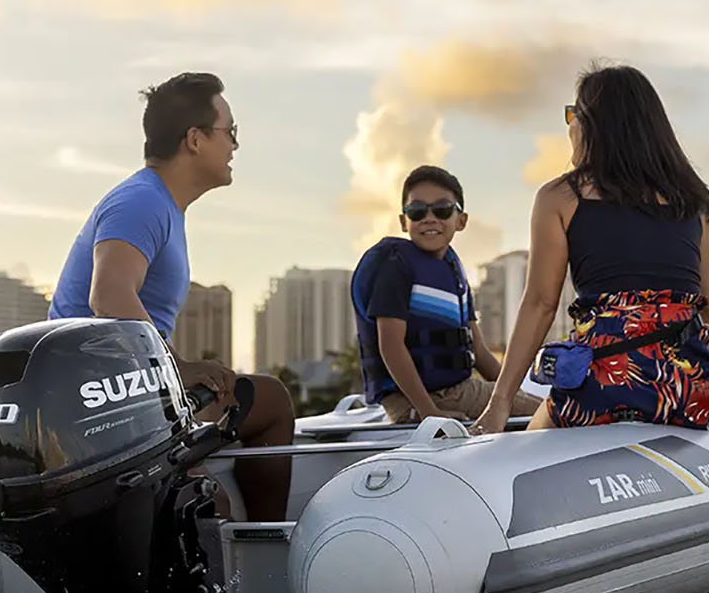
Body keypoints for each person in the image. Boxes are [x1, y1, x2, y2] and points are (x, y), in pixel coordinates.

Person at [49, 72, 295, 519]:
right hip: (99, 399)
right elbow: (107, 296)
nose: (235, 146)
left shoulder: (159, 204)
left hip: (131, 388)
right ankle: (266, 556)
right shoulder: (141, 202)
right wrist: (178, 369)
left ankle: (264, 540)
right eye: (230, 132)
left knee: (269, 400)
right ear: (196, 139)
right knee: (212, 497)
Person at [474, 64, 709, 435]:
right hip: (682, 393)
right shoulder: (694, 202)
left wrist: (499, 404)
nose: (570, 127)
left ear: (592, 125)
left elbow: (540, 304)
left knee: (532, 436)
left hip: (603, 385)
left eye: (573, 115)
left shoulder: (560, 197)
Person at [351, 165, 538, 424]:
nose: (429, 218)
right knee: (552, 411)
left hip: (452, 392)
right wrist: (430, 414)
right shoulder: (395, 266)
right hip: (427, 398)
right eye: (417, 211)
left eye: (441, 210)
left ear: (461, 220)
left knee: (537, 399)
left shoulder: (452, 270)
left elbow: (479, 352)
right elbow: (391, 345)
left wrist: (508, 391)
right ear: (404, 222)